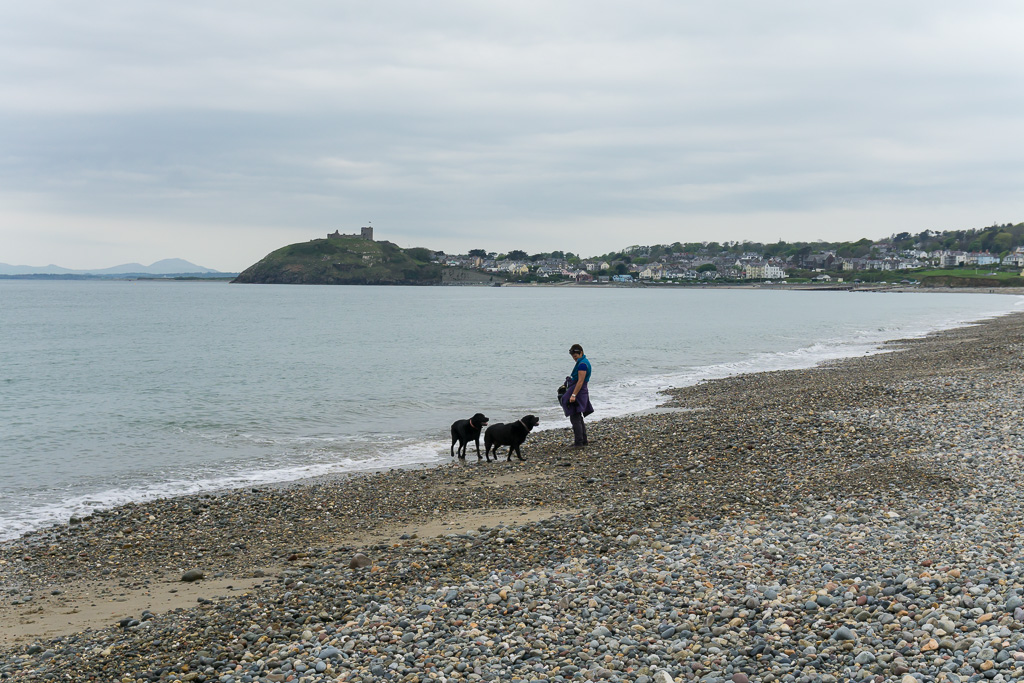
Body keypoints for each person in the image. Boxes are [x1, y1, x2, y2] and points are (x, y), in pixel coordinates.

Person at [560, 343, 594, 447]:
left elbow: (580, 381)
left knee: (575, 417)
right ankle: (583, 441)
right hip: (581, 391)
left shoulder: (582, 364)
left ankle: (579, 443)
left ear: (581, 353)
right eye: (573, 356)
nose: (574, 358)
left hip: (578, 391)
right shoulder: (583, 362)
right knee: (578, 417)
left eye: (575, 356)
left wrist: (573, 395)